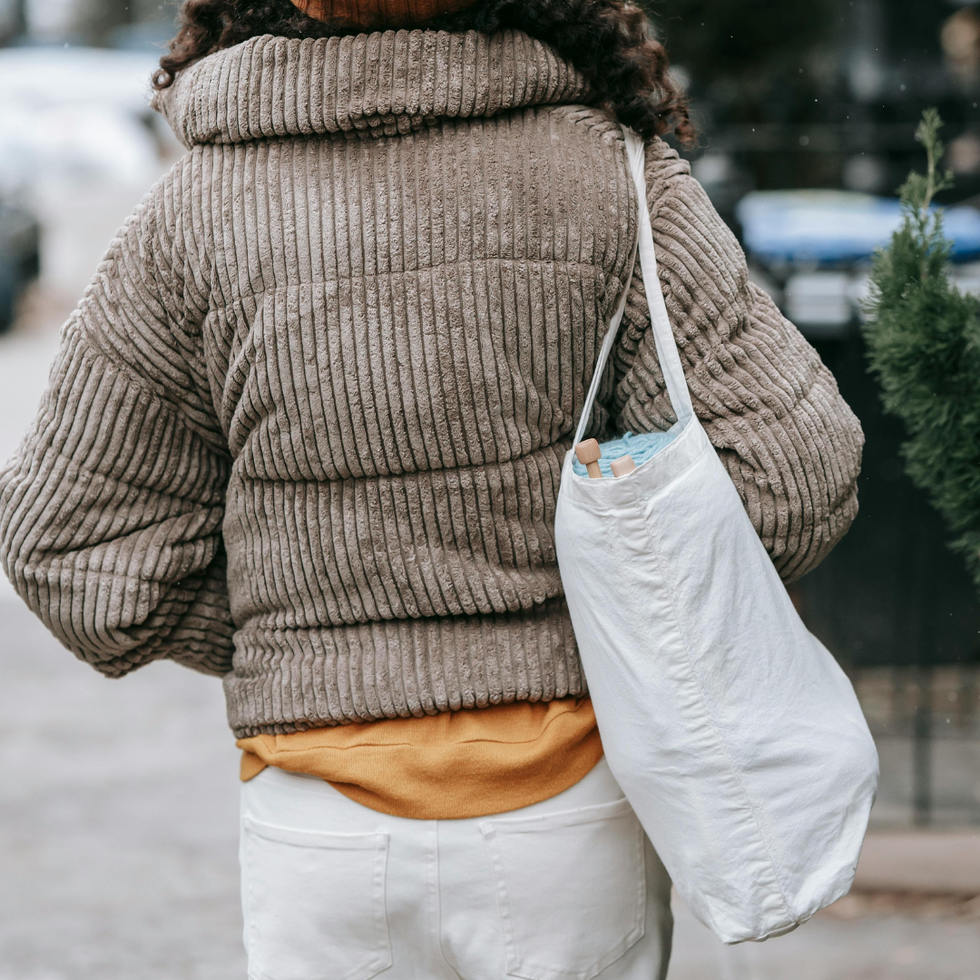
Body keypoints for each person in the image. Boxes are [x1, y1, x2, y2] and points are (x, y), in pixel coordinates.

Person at [0, 0, 864, 976]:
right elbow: (794, 473)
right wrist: (615, 607)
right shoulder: (609, 179)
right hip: (569, 807)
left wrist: (291, 639)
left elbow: (66, 547)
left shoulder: (190, 216)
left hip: (315, 826)